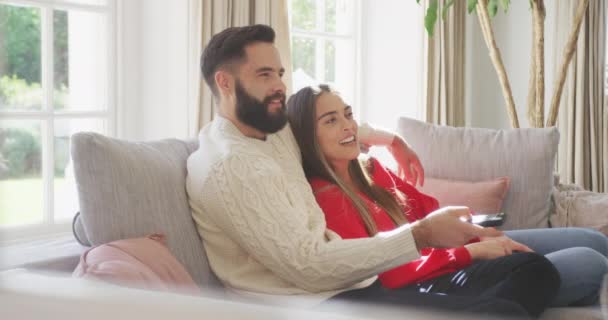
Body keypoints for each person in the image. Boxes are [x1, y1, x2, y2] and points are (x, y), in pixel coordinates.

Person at [185, 24, 558, 318]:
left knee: (532, 276)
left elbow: (319, 130)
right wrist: (421, 235)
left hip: (354, 287)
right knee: (502, 312)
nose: (280, 86)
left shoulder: (270, 129)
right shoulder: (229, 168)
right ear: (225, 82)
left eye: (280, 72)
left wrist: (389, 139)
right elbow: (309, 266)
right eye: (264, 74)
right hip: (314, 306)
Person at [285, 84, 608, 309]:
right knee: (588, 263)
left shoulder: (369, 168)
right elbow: (392, 273)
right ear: (308, 137)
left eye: (348, 114)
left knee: (595, 241)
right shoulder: (327, 198)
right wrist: (474, 253)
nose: (348, 127)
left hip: (454, 249)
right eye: (331, 120)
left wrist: (473, 233)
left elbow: (429, 211)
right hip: (440, 274)